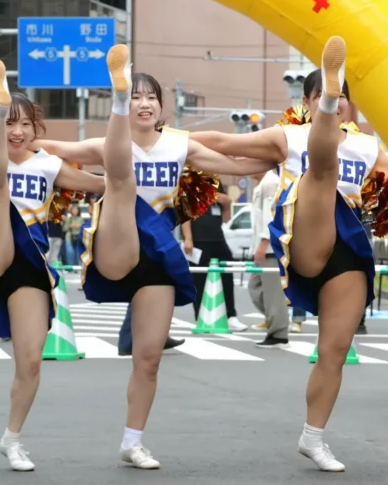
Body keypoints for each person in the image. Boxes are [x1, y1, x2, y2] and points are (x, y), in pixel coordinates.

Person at [30, 44, 272, 469]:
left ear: (161, 108)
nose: (145, 103)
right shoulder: (105, 144)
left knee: (149, 358)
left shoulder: (179, 145)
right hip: (116, 242)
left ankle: (133, 440)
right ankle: (115, 107)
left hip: (159, 254)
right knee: (119, 174)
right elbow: (49, 147)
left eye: (150, 97)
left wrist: (289, 153)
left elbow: (235, 167)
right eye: (135, 96)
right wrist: (4, 134)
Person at [190, 36, 388, 472]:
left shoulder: (367, 147)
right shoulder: (287, 136)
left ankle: (314, 437)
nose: (340, 102)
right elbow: (226, 142)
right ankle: (319, 131)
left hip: (346, 248)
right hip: (302, 233)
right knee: (321, 169)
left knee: (334, 350)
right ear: (308, 102)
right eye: (328, 96)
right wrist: (166, 137)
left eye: (342, 97)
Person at [0, 59, 106, 471]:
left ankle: (12, 439)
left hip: (30, 264)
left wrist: (135, 165)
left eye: (25, 124)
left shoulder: (48, 164)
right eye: (8, 122)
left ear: (36, 129)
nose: (18, 131)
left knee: (30, 360)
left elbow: (105, 184)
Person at [180, 184, 247, 331]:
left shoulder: (218, 189)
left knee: (227, 278)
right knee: (198, 281)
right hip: (198, 242)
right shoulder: (191, 186)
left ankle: (231, 316)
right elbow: (185, 215)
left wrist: (228, 205)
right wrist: (188, 238)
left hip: (218, 240)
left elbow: (225, 221)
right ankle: (200, 317)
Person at [248, 168, 290, 348]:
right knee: (255, 286)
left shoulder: (270, 183)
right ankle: (274, 320)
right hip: (263, 246)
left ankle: (279, 334)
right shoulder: (264, 184)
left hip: (270, 247)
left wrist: (264, 244)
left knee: (273, 293)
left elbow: (270, 216)